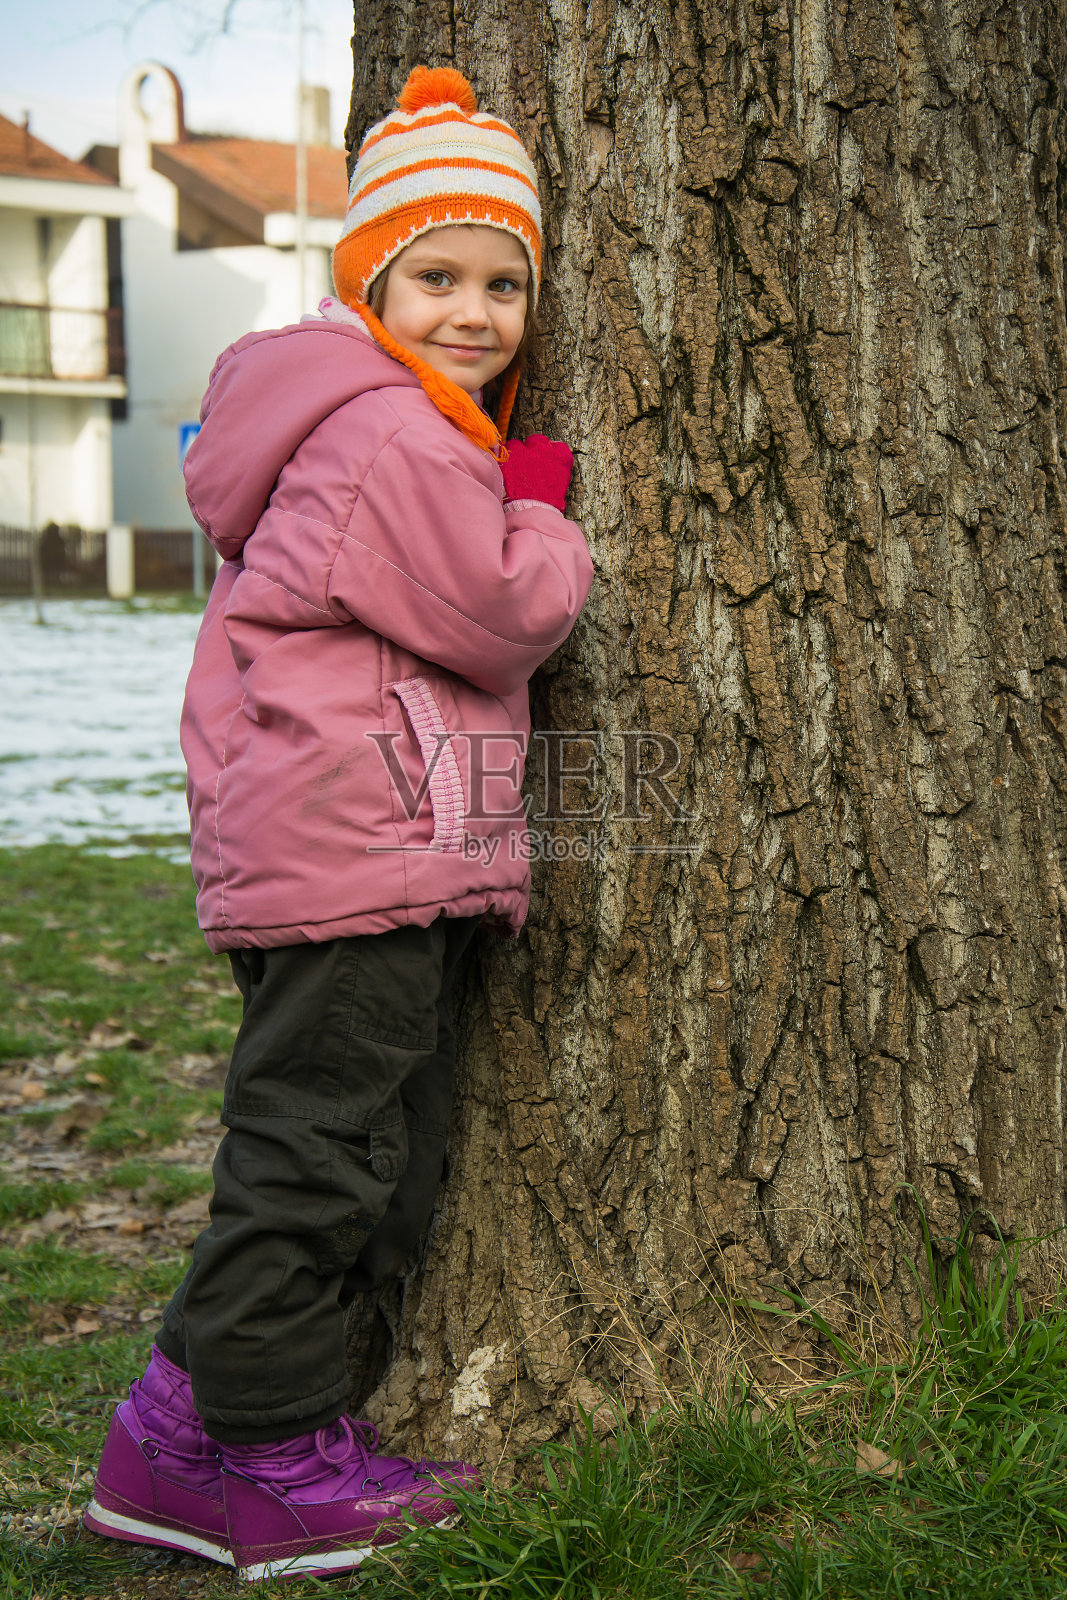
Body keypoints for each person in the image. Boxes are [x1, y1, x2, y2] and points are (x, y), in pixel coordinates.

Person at [84, 64, 594, 1584]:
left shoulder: (349, 418)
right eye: (437, 276)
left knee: (339, 1150)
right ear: (368, 281)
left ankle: (171, 1442)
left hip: (342, 849)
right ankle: (264, 1461)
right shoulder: (394, 436)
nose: (476, 312)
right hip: (352, 859)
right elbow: (498, 615)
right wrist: (539, 507)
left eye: (505, 282)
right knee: (315, 1166)